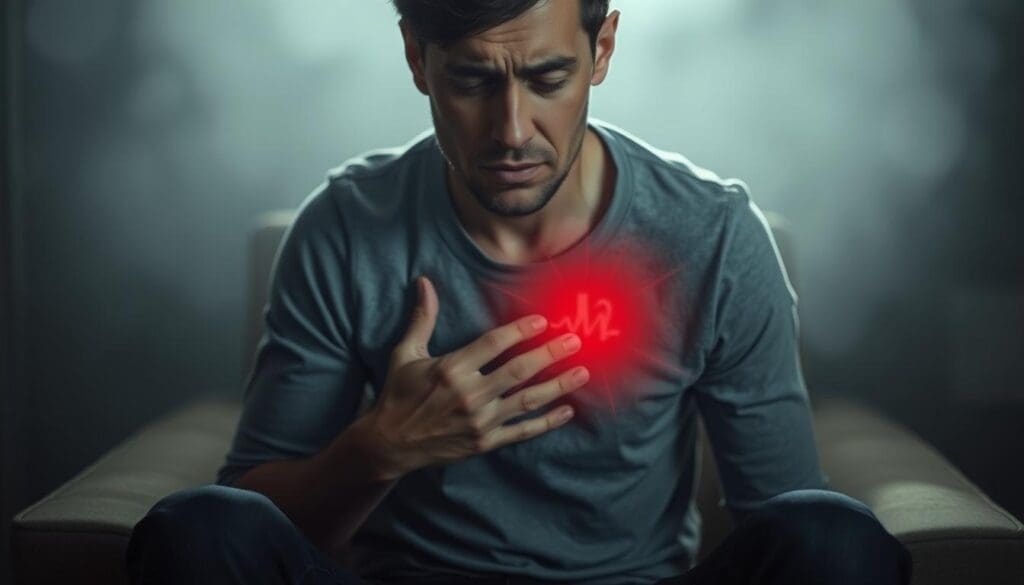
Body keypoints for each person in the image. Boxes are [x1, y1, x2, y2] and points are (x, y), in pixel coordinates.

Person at [126, 1, 912, 583]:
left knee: (834, 539)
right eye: (471, 79)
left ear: (601, 48)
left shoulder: (713, 236)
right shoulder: (344, 226)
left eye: (547, 78)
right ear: (415, 58)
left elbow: (785, 516)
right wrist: (381, 447)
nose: (511, 131)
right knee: (198, 530)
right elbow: (254, 523)